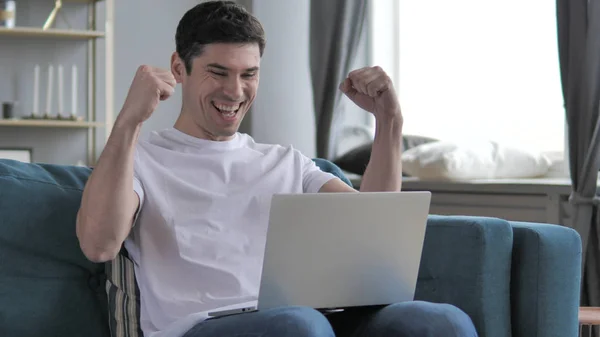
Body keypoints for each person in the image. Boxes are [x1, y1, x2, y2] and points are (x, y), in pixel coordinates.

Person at [76, 1, 478, 337]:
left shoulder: (286, 162)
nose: (235, 92)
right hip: (205, 325)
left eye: (248, 75)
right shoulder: (141, 157)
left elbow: (375, 237)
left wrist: (389, 123)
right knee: (299, 325)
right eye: (218, 73)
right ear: (179, 69)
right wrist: (129, 120)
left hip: (305, 320)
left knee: (439, 321)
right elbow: (99, 244)